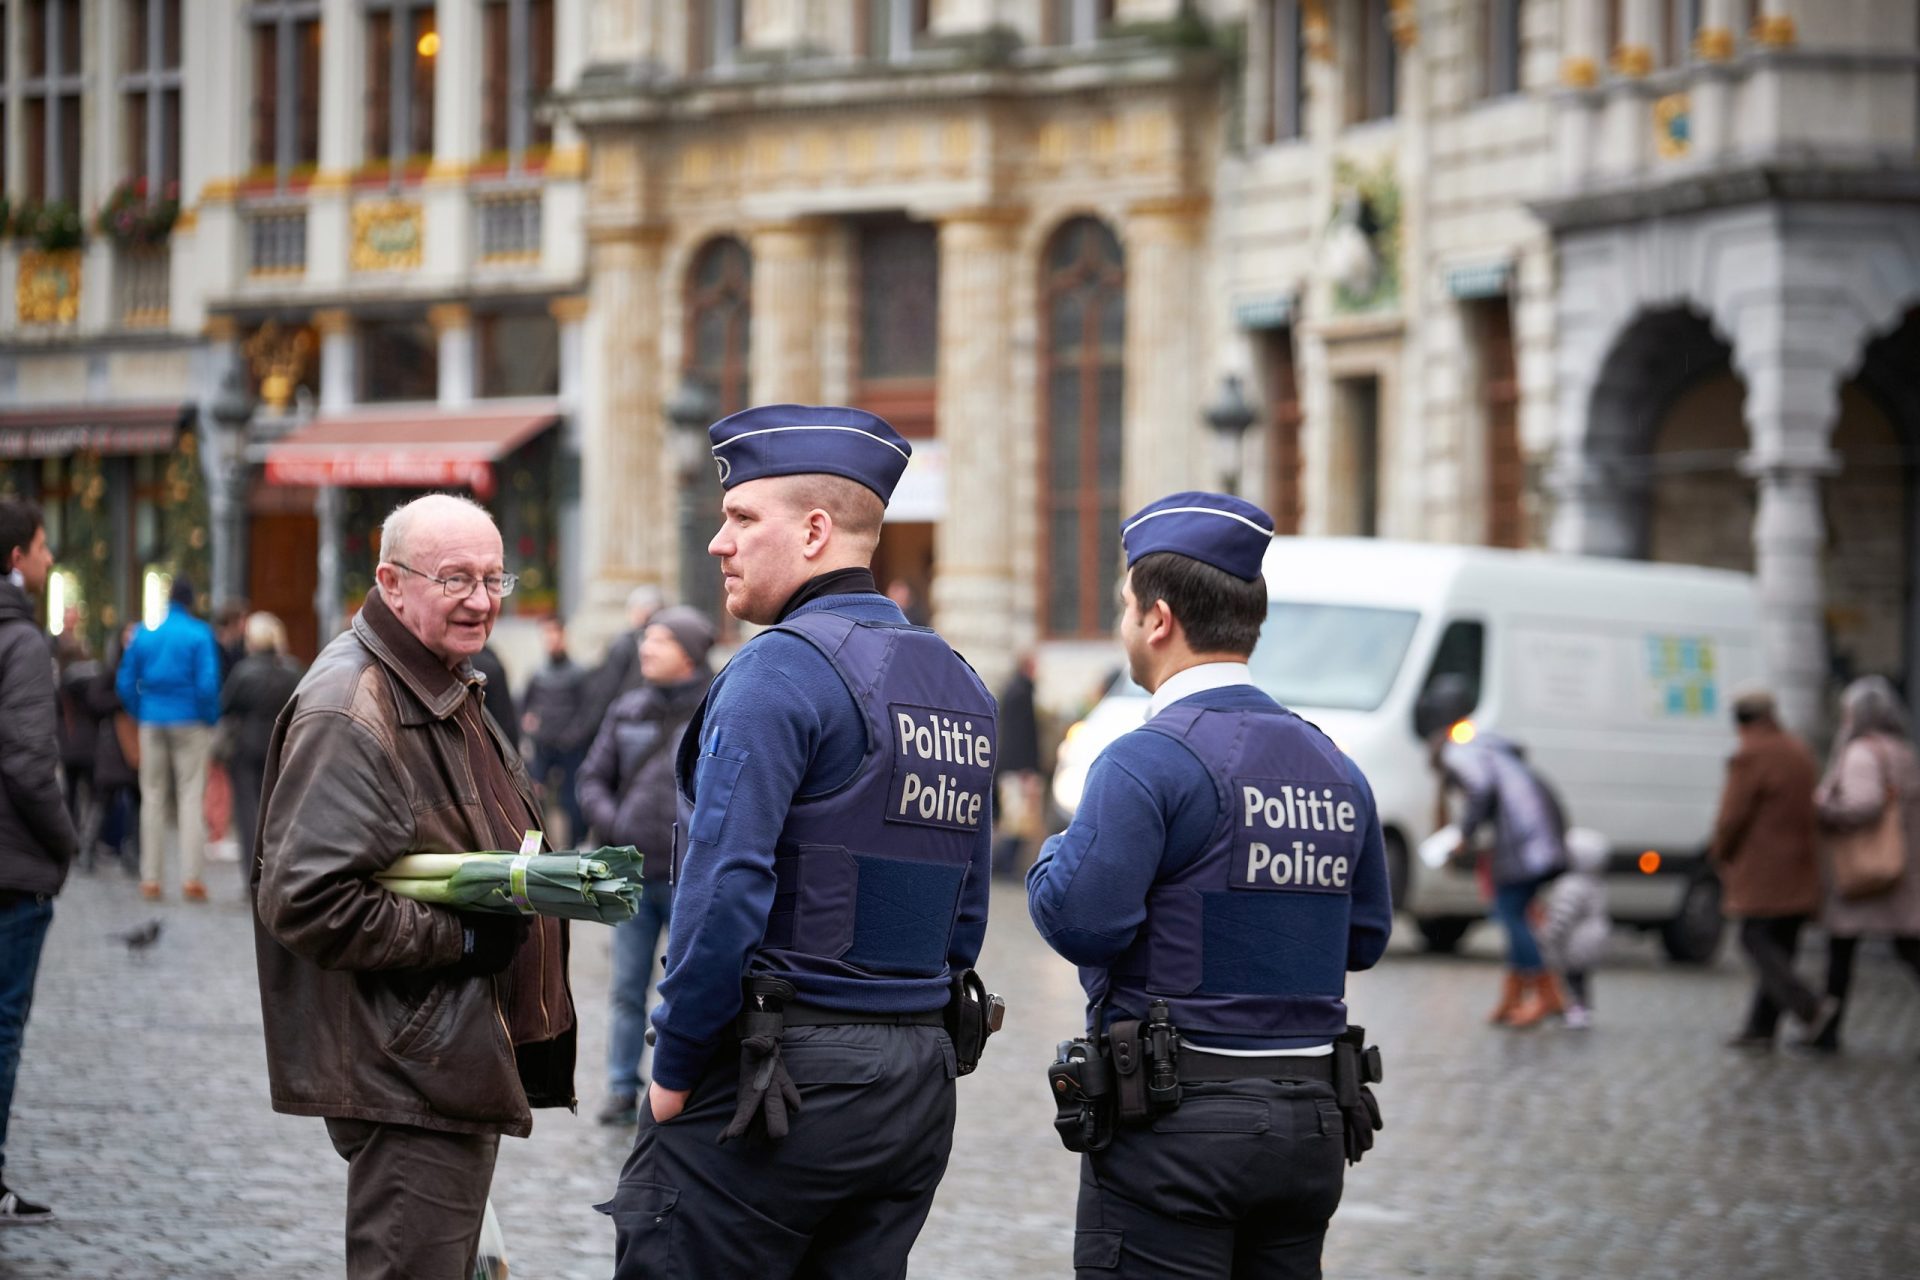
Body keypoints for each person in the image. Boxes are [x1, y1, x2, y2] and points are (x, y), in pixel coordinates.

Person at [599, 405, 996, 1277]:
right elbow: (966, 906)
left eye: (742, 518)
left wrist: (670, 1067)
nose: (718, 542)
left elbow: (723, 890)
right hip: (912, 1084)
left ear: (815, 532)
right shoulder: (959, 683)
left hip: (776, 1081)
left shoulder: (777, 670)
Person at [1027, 491, 1391, 1279]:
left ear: (1157, 620)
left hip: (1178, 1128)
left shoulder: (1144, 759)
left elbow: (1081, 920)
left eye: (1125, 606)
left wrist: (1053, 851)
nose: (1124, 623)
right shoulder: (1335, 765)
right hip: (1312, 1127)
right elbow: (1364, 939)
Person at [253, 493, 575, 1280]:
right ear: (391, 584)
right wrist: (463, 937)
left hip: (441, 1059)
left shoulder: (438, 676)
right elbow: (307, 898)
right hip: (408, 1066)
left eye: (496, 579)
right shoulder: (353, 703)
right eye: (455, 578)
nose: (481, 600)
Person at [577, 605, 716, 1126]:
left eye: (658, 641)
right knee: (625, 987)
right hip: (631, 875)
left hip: (692, 879)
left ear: (688, 653)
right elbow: (591, 779)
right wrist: (615, 825)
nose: (645, 649)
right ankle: (619, 1087)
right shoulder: (626, 708)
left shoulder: (717, 707)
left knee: (685, 990)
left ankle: (676, 1088)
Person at [0, 499, 78, 1224]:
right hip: (13, 867)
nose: (50, 559)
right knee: (2, 1025)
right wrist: (66, 840)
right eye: (44, 545)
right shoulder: (22, 641)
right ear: (17, 556)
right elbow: (28, 763)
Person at [1417, 674, 1569, 1028]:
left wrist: (1462, 835)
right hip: (1538, 837)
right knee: (1512, 909)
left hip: (1525, 842)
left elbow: (1481, 788)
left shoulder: (1457, 751)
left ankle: (1546, 993)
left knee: (1509, 913)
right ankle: (1514, 995)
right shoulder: (1486, 745)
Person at [1707, 688, 1834, 1049]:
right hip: (1800, 864)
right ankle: (1761, 1028)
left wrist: (1721, 853)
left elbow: (1732, 816)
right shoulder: (1798, 750)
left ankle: (1809, 1007)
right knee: (1782, 945)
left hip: (1764, 868)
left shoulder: (1751, 756)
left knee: (1755, 939)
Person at [1808, 675, 1920, 1052]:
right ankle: (1826, 1028)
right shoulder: (1902, 750)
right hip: (1900, 865)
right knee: (1908, 946)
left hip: (1864, 867)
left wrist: (1823, 807)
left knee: (1841, 951)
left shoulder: (1861, 753)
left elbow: (1863, 803)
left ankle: (1827, 1029)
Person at [117, 577, 221, 902]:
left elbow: (124, 681)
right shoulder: (200, 634)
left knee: (152, 797)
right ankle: (191, 878)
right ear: (191, 601)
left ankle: (151, 878)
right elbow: (207, 683)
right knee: (191, 796)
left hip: (152, 718)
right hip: (190, 720)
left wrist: (141, 710)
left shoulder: (145, 635)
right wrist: (209, 718)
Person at [219, 612, 303, 888]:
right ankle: (278, 871)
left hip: (246, 747)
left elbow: (225, 706)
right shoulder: (293, 670)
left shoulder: (244, 671)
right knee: (278, 812)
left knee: (248, 814)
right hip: (282, 748)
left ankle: (253, 875)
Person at [521, 616, 589, 846]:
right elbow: (525, 705)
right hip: (543, 746)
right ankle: (540, 844)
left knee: (572, 799)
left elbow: (586, 710)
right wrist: (530, 727)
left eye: (555, 635)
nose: (552, 641)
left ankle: (573, 846)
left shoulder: (578, 673)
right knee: (536, 796)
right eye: (547, 636)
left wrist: (573, 736)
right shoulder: (538, 673)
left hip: (570, 748)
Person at [1539, 828, 1610, 1029]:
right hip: (1594, 940)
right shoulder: (1596, 883)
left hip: (1575, 943)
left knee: (1570, 978)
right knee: (1581, 978)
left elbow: (1562, 914)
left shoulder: (1570, 885)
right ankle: (1582, 1008)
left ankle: (1575, 1010)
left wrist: (1548, 934)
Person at [992, 652, 1044, 878]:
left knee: (1015, 818)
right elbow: (1023, 735)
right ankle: (1005, 865)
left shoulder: (1014, 690)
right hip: (1018, 766)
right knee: (1017, 819)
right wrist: (1028, 767)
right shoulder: (1022, 693)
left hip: (1009, 763)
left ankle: (1005, 864)